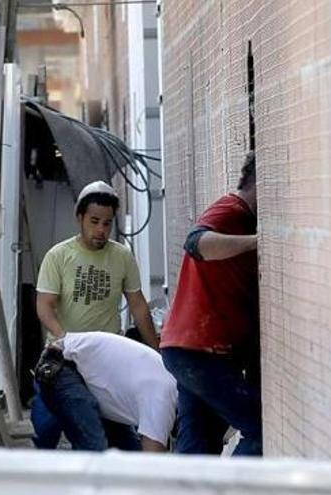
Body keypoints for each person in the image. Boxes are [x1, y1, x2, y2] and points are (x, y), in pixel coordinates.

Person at [32, 180, 159, 450]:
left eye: (107, 223)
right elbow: (45, 304)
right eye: (94, 221)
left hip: (106, 361)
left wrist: (156, 351)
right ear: (80, 218)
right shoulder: (59, 256)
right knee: (47, 428)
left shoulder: (122, 256)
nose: (101, 230)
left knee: (106, 432)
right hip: (62, 357)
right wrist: (64, 338)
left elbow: (137, 305)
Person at [160, 152, 261, 456]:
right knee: (260, 430)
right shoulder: (232, 209)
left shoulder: (244, 218)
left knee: (199, 442)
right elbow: (196, 242)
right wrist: (257, 241)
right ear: (260, 181)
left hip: (190, 351)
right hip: (200, 351)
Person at [37, 331, 177, 452]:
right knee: (96, 449)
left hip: (91, 377)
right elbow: (153, 459)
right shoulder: (164, 397)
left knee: (130, 457)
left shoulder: (171, 381)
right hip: (63, 364)